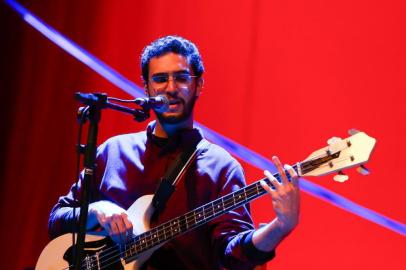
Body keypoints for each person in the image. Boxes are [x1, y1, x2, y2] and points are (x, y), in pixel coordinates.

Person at [48, 35, 300, 270]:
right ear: (146, 88)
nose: (170, 88)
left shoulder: (221, 167)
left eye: (181, 78)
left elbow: (232, 256)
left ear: (198, 85)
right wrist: (96, 210)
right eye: (160, 79)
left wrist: (280, 227)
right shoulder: (113, 152)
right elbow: (57, 221)